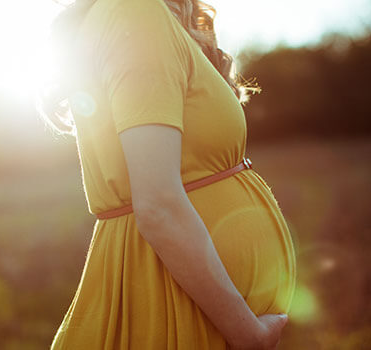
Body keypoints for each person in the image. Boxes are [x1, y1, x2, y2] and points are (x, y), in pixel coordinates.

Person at [40, 0, 297, 348]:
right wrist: (248, 334)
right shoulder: (135, 13)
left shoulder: (144, 15)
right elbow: (158, 205)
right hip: (173, 298)